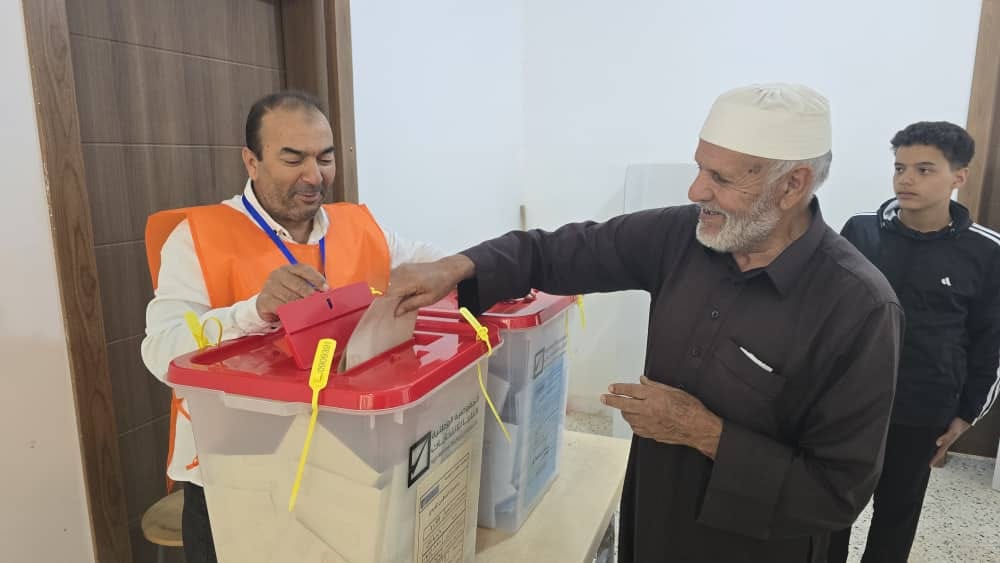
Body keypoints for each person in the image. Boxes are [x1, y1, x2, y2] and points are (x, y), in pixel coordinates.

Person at [387, 83, 903, 562]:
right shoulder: (683, 236)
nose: (695, 190)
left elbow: (838, 492)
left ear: (792, 186)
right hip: (654, 520)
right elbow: (561, 250)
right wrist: (457, 266)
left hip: (756, 546)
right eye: (700, 168)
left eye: (720, 179)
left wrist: (705, 433)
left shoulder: (859, 307)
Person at [140, 91, 443, 563]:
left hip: (349, 467)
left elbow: (436, 267)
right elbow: (161, 352)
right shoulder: (197, 237)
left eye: (325, 158)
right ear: (252, 161)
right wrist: (253, 311)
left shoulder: (361, 226)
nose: (314, 176)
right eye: (293, 159)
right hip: (236, 480)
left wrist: (489, 266)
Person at [828, 121, 1000, 563]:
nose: (906, 179)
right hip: (849, 402)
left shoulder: (987, 251)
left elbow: (991, 341)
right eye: (900, 168)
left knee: (896, 514)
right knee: (829, 508)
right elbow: (827, 315)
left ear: (958, 176)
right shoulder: (860, 232)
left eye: (924, 170)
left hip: (923, 408)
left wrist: (967, 414)